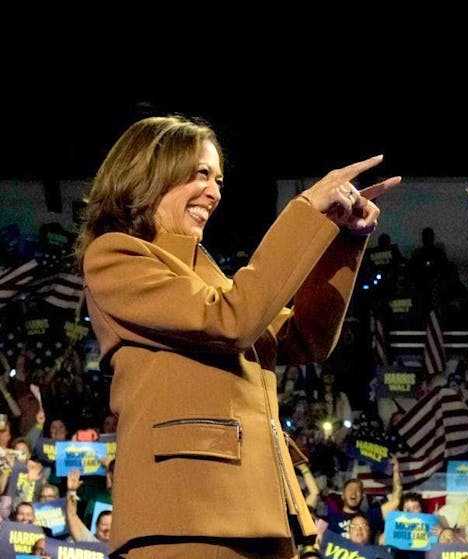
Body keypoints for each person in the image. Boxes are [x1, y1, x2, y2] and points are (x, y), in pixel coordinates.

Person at [76, 115, 401, 558]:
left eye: (219, 179)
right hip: (187, 518)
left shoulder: (208, 277)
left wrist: (343, 239)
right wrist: (305, 210)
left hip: (259, 512)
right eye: (200, 174)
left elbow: (305, 338)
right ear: (149, 173)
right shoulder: (116, 255)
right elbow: (232, 322)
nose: (214, 192)